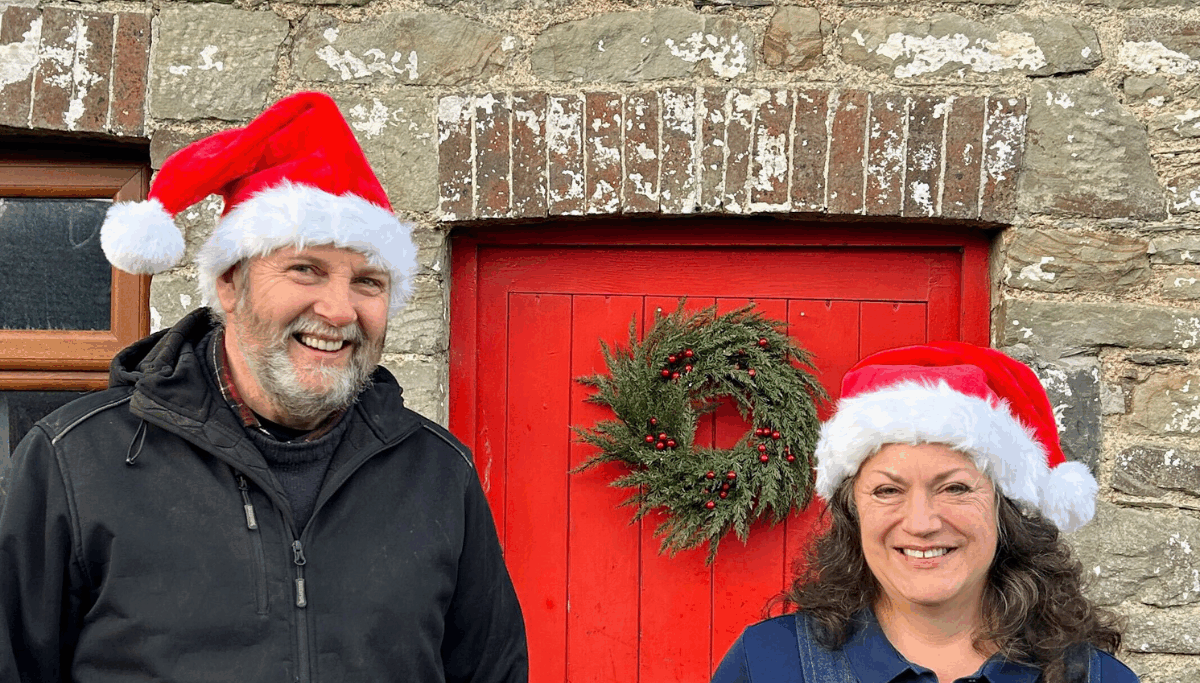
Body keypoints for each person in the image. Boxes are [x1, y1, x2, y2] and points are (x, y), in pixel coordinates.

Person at [0, 92, 528, 682]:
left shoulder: (438, 472)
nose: (338, 310)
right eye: (306, 269)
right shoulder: (76, 460)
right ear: (231, 283)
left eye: (368, 282)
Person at [712, 342, 1137, 683]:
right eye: (887, 490)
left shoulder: (1094, 677)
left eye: (955, 488)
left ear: (1004, 508)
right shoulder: (768, 663)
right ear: (852, 510)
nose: (921, 523)